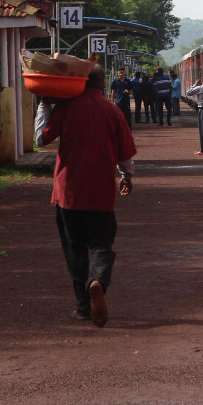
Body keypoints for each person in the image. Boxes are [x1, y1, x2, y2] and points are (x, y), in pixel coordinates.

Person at [34, 65, 137, 327]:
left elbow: (40, 139)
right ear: (103, 84)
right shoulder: (113, 111)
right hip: (100, 192)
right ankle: (98, 281)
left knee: (75, 248)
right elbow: (125, 154)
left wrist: (44, 104)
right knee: (102, 244)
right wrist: (126, 176)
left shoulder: (66, 107)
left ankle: (82, 307)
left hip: (67, 192)